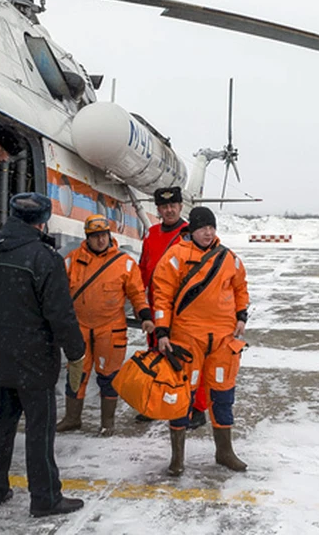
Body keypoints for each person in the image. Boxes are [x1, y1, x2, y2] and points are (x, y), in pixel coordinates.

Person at [0, 192, 87, 518]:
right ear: (42, 220)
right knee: (39, 431)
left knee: (0, 427)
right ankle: (45, 498)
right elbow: (60, 314)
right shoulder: (44, 258)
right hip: (35, 361)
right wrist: (76, 351)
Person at [152, 206, 250, 477]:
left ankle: (224, 452)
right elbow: (161, 295)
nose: (208, 232)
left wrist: (242, 315)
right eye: (203, 228)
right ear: (192, 230)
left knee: (222, 395)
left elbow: (241, 288)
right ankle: (177, 458)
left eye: (212, 227)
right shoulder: (175, 257)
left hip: (222, 340)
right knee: (181, 397)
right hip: (187, 339)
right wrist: (162, 331)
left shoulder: (230, 258)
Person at [56, 214, 152, 437]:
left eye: (104, 235)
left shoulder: (125, 263)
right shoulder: (71, 260)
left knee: (108, 377)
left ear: (110, 236)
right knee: (76, 374)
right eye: (95, 236)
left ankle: (107, 423)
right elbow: (58, 292)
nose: (100, 240)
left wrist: (145, 316)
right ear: (87, 238)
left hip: (110, 330)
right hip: (79, 329)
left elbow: (137, 294)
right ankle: (72, 419)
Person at [136, 186, 209, 430]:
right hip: (157, 309)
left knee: (189, 361)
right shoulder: (152, 234)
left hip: (184, 311)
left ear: (180, 207)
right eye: (164, 207)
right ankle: (156, 402)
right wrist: (141, 305)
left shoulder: (190, 234)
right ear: (157, 209)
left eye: (173, 206)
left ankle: (196, 408)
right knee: (157, 356)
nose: (169, 210)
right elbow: (143, 270)